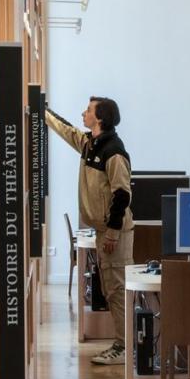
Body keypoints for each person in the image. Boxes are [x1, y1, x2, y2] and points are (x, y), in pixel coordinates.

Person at [46, 97, 134, 365]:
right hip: (102, 230)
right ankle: (122, 342)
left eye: (88, 110)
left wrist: (111, 233)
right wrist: (43, 110)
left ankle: (124, 346)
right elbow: (67, 130)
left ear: (100, 119)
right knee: (110, 289)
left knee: (117, 290)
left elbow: (122, 195)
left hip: (114, 232)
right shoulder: (90, 144)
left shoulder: (113, 151)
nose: (83, 113)